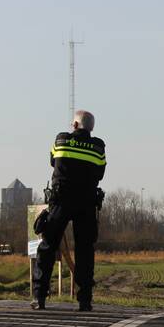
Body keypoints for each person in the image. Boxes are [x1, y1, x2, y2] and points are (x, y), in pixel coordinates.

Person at [33, 110, 106, 311]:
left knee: (48, 246)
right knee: (85, 251)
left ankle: (40, 297)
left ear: (74, 125)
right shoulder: (98, 147)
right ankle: (85, 301)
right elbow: (100, 172)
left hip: (61, 201)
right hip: (86, 203)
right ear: (91, 128)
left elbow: (52, 161)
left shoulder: (61, 140)